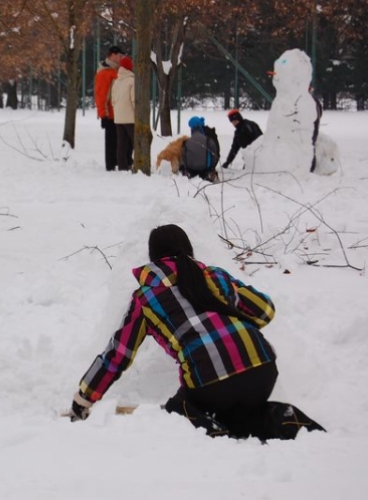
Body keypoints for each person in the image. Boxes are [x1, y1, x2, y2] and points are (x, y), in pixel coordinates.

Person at [69, 224, 325, 440]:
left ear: (153, 258)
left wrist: (84, 398)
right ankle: (278, 419)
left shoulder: (145, 299)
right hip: (263, 369)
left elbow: (118, 355)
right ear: (189, 250)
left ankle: (206, 429)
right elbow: (264, 310)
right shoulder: (215, 276)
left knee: (175, 409)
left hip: (209, 384)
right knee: (241, 414)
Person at [94, 46, 125, 171]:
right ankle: (110, 165)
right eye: (119, 56)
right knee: (111, 141)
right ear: (112, 55)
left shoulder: (115, 71)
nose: (121, 58)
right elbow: (101, 96)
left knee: (116, 141)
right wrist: (103, 115)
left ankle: (114, 163)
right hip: (110, 114)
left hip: (117, 113)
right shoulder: (105, 73)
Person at [110, 56, 135, 172]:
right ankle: (139, 163)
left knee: (121, 143)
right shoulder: (132, 80)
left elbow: (113, 100)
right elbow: (134, 99)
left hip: (118, 117)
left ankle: (122, 166)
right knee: (137, 142)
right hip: (130, 117)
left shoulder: (116, 81)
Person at [180, 116, 220, 182]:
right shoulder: (209, 140)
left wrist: (187, 167)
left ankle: (188, 174)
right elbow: (215, 155)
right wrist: (212, 168)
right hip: (206, 169)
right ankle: (210, 175)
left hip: (191, 169)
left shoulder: (186, 142)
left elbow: (184, 157)